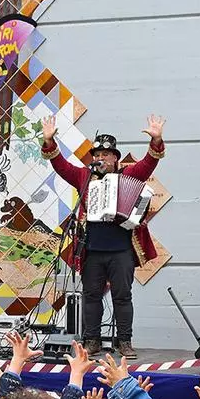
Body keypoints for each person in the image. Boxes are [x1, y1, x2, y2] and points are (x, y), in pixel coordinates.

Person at [41, 115, 166, 358]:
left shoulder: (129, 174)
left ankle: (125, 341)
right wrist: (49, 141)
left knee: (123, 296)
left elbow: (148, 164)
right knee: (91, 296)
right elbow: (61, 166)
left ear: (115, 158)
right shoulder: (84, 177)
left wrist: (156, 140)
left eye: (106, 154)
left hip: (121, 250)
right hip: (92, 249)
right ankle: (92, 340)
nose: (100, 158)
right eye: (97, 154)